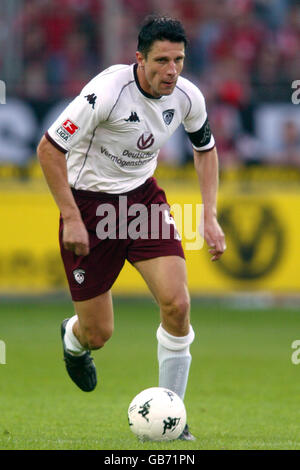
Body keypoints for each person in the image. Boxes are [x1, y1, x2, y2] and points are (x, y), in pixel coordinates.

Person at [37, 14, 226, 441]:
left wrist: (209, 215)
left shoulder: (188, 97)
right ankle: (73, 338)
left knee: (177, 305)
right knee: (98, 334)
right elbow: (49, 149)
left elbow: (206, 150)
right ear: (138, 59)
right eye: (161, 60)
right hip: (88, 207)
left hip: (142, 201)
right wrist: (70, 217)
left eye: (178, 59)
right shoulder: (105, 93)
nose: (172, 70)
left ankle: (173, 421)